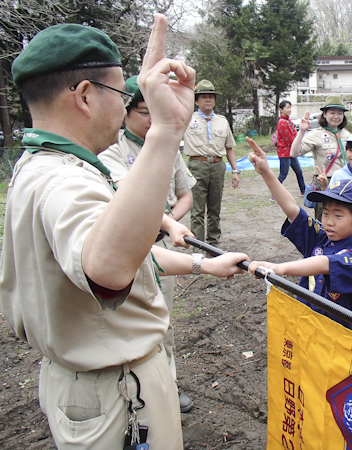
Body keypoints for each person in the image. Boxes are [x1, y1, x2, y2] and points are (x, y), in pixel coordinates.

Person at [1, 17, 248, 449]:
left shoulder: (40, 165)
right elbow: (108, 269)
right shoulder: (65, 182)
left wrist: (202, 264)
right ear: (84, 96)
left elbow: (130, 255)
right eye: (120, 93)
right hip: (116, 391)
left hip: (95, 382)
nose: (127, 106)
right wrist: (167, 131)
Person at [98, 74, 197, 413]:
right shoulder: (110, 153)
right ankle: (128, 394)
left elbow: (185, 194)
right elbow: (130, 200)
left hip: (161, 246)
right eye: (144, 112)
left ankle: (166, 387)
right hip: (125, 249)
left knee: (161, 319)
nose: (152, 120)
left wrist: (171, 223)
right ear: (126, 111)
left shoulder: (169, 145)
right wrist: (167, 221)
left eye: (156, 112)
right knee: (125, 320)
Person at [246, 137, 352, 333]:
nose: (329, 221)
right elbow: (292, 210)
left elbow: (325, 263)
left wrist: (278, 268)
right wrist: (266, 171)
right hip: (308, 333)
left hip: (342, 342)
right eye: (326, 213)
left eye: (338, 215)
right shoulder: (322, 237)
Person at [183, 79, 240, 247]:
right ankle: (198, 247)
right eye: (203, 97)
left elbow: (229, 147)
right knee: (197, 209)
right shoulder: (187, 119)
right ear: (196, 100)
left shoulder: (222, 121)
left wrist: (235, 171)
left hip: (217, 165)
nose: (208, 100)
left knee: (215, 208)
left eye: (211, 96)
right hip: (196, 165)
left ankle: (213, 245)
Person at [290, 95, 350, 222]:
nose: (336, 116)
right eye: (332, 112)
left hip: (344, 181)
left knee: (343, 216)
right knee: (324, 218)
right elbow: (294, 153)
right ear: (324, 113)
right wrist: (301, 131)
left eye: (340, 113)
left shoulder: (347, 135)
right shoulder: (316, 134)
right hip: (325, 181)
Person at [274, 100, 306, 199]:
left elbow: (294, 136)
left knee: (299, 171)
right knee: (283, 174)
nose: (289, 110)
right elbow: (289, 139)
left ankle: (303, 191)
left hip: (291, 152)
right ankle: (274, 194)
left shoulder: (288, 120)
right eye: (287, 108)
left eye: (290, 107)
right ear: (281, 109)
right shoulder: (282, 122)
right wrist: (298, 147)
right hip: (285, 153)